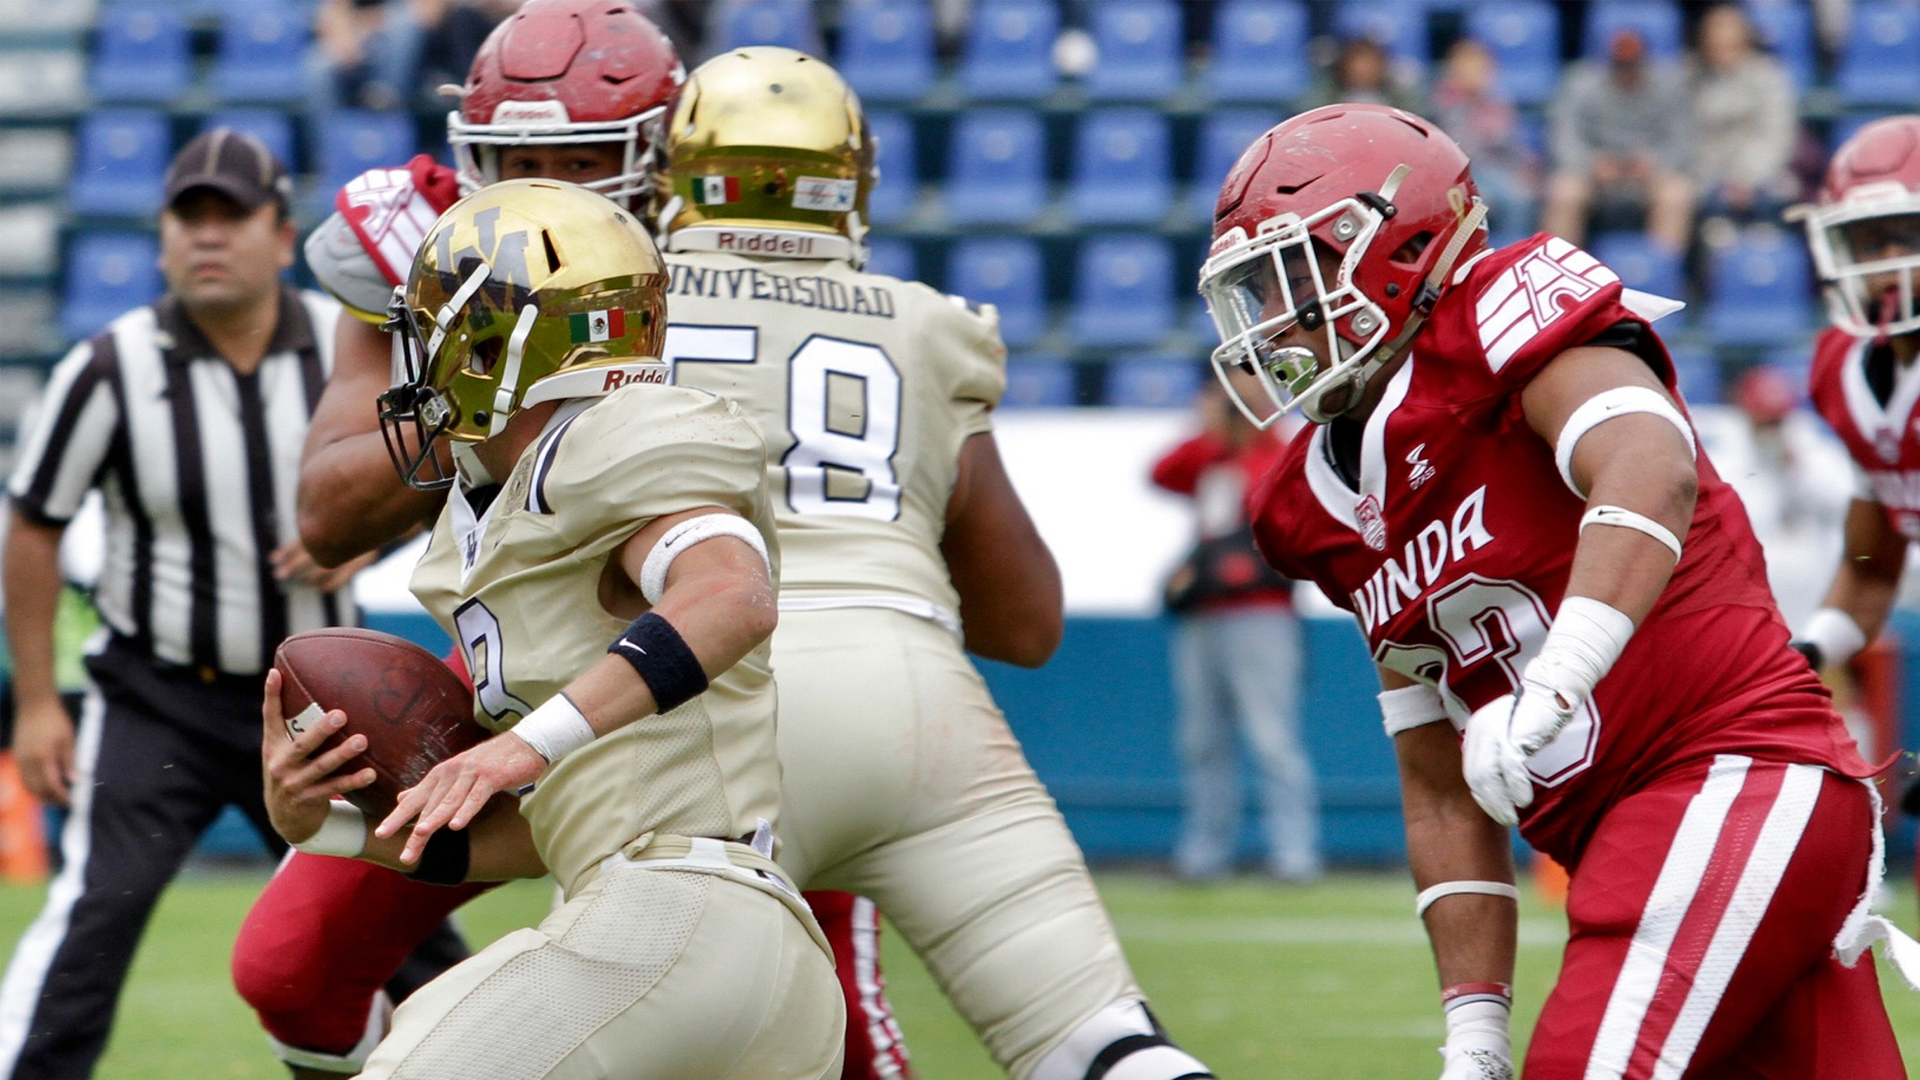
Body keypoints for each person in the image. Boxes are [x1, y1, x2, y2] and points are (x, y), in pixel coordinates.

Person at [235, 5, 915, 1078]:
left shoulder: (712, 300)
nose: (548, 183)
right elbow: (328, 511)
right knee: (308, 969)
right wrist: (316, 820)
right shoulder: (449, 289)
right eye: (515, 158)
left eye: (585, 158)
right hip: (565, 682)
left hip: (725, 682)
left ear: (668, 158)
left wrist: (521, 743)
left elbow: (730, 590)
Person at [1197, 102, 1907, 1079]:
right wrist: (1474, 1030)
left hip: (1730, 776)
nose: (1281, 315)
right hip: (1635, 833)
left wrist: (1557, 678)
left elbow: (1650, 466)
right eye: (1257, 288)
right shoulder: (1311, 508)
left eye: (1304, 271)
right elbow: (1441, 788)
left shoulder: (1499, 322)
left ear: (1403, 245)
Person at [650, 46, 1215, 1080]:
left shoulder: (621, 317)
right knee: (1101, 1044)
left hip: (696, 705)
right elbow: (1024, 621)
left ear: (677, 172)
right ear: (848, 181)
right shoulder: (924, 325)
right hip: (911, 698)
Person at [0, 129, 396, 1080]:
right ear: (163, 236)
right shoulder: (107, 366)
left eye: (232, 217)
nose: (208, 238)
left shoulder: (347, 345)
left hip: (318, 709)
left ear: (280, 229)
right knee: (93, 920)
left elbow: (432, 473)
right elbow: (34, 526)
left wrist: (363, 529)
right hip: (157, 695)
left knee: (397, 923)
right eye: (190, 217)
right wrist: (40, 702)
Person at [1787, 114, 1920, 815]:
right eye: (1868, 242)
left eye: (1907, 237)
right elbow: (1871, 571)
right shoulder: (1843, 370)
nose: (1886, 261)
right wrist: (1804, 653)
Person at [1150, 381, 1320, 884]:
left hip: (1261, 611)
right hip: (1204, 612)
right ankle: (1205, 853)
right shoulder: (1213, 458)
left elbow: (1278, 490)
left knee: (1273, 737)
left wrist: (1251, 423)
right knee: (1202, 739)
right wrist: (1211, 431)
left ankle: (1295, 855)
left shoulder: (1274, 450)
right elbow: (1162, 473)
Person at [1541, 28, 1695, 252]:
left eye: (1632, 64)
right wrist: (1591, 164)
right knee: (1564, 192)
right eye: (1620, 64)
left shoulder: (1668, 89)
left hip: (1649, 175)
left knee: (1677, 194)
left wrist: (1656, 163)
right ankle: (1558, 273)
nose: (1626, 71)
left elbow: (1681, 139)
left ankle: (1658, 277)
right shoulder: (1580, 84)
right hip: (1593, 173)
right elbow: (1564, 136)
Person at [1686, 3, 1800, 228]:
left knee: (1774, 198)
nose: (1722, 50)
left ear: (1745, 40)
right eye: (1715, 42)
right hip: (1705, 176)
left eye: (1730, 43)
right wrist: (1715, 179)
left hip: (1762, 175)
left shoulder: (1769, 76)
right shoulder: (1690, 78)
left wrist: (1745, 176)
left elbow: (1776, 136)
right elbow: (1685, 135)